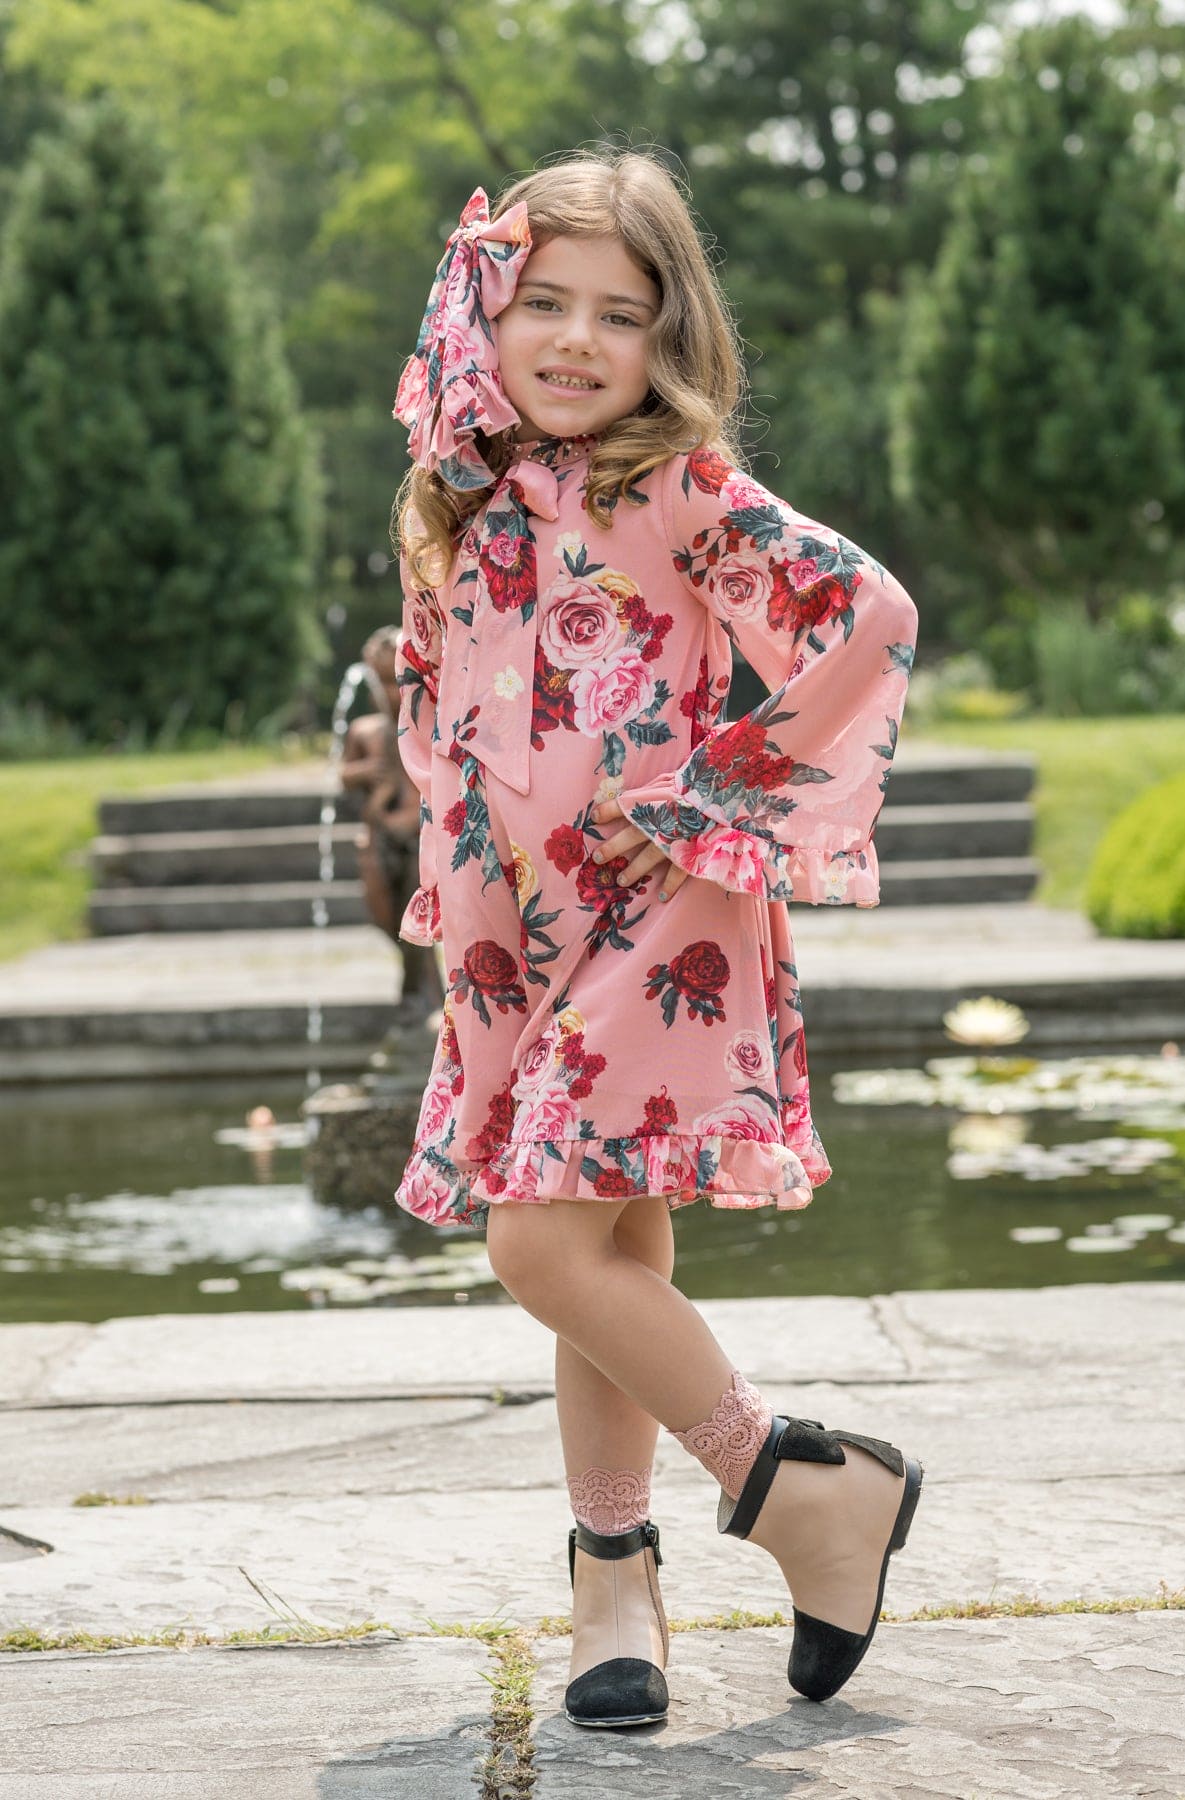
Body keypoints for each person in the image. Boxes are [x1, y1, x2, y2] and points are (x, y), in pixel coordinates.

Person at [388, 150, 921, 1729]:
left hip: (658, 913)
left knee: (537, 1241)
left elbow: (866, 620)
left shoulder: (672, 486)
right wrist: (454, 896)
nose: (571, 340)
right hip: (509, 934)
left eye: (617, 316)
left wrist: (715, 792)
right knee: (601, 1251)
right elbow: (443, 715)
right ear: (476, 311)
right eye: (539, 301)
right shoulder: (455, 499)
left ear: (666, 339)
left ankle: (799, 1485)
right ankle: (612, 1575)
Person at [339, 628, 443, 1016]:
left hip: (421, 834)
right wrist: (370, 774)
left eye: (394, 679)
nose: (388, 690)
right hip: (383, 835)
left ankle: (417, 995)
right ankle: (423, 989)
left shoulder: (432, 720)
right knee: (387, 915)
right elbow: (344, 775)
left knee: (417, 918)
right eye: (380, 680)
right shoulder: (365, 731)